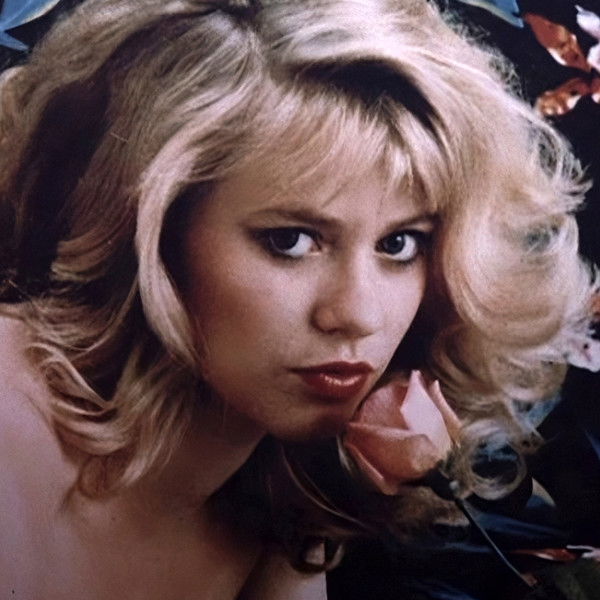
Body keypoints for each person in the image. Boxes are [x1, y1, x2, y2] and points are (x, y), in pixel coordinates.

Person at [0, 0, 595, 597]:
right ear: (151, 231)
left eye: (399, 244)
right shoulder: (11, 418)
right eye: (290, 241)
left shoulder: (282, 500)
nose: (358, 315)